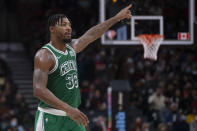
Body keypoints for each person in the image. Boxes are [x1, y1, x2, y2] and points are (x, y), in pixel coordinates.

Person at [33, 5, 132, 131]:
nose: (68, 28)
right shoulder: (44, 55)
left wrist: (116, 18)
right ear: (52, 29)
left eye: (69, 25)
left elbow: (91, 34)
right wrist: (68, 109)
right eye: (63, 25)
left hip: (73, 117)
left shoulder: (72, 48)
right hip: (51, 118)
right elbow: (38, 90)